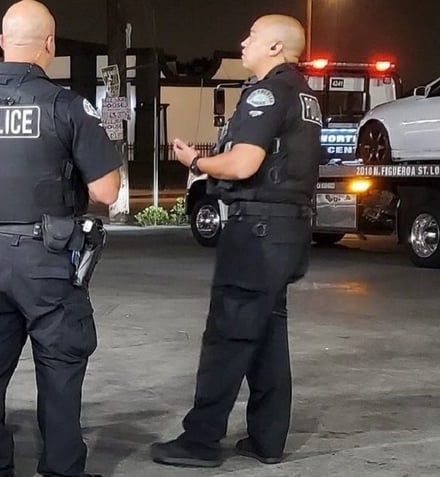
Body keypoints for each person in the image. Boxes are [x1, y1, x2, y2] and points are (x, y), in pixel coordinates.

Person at [0, 2, 121, 476]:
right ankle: (61, 469)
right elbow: (106, 190)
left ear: (3, 43)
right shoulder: (67, 106)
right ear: (50, 45)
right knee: (60, 368)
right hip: (49, 259)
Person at [151, 14, 322, 468]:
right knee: (267, 336)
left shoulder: (269, 92)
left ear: (274, 48)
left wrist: (198, 163)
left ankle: (201, 441)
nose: (242, 42)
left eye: (251, 36)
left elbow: (245, 163)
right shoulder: (304, 93)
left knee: (226, 337)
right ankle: (267, 439)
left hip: (258, 233)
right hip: (287, 231)